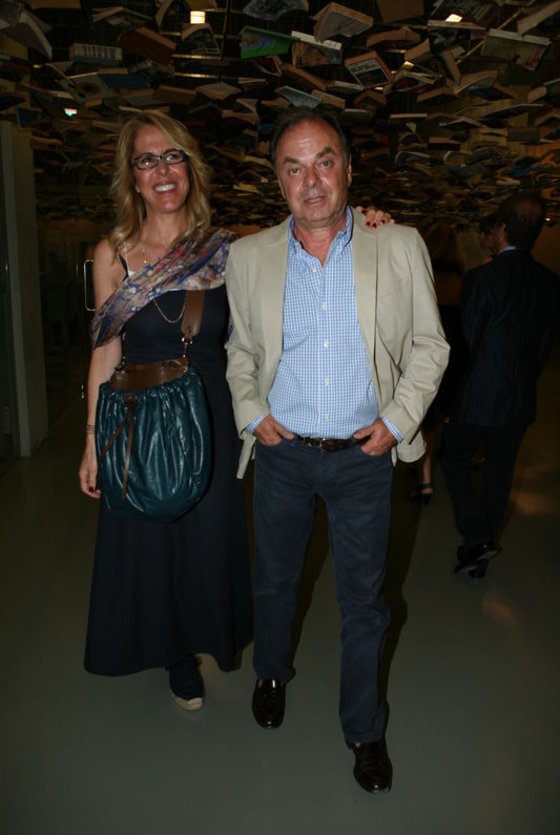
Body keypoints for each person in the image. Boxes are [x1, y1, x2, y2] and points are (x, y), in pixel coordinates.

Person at [225, 107, 449, 794]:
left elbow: (429, 346)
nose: (311, 181)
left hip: (362, 456)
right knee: (274, 581)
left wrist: (398, 420)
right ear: (278, 182)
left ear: (349, 169)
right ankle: (270, 672)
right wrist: (252, 412)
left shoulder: (397, 244)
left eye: (324, 161)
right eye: (293, 168)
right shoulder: (248, 256)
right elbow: (240, 352)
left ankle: (364, 729)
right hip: (283, 452)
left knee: (364, 601)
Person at [78, 111, 253, 709]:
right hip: (139, 419)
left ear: (190, 167)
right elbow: (105, 350)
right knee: (154, 545)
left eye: (172, 155)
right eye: (147, 159)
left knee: (207, 542)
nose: (162, 169)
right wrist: (92, 441)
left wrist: (367, 221)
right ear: (132, 176)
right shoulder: (113, 254)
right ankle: (177, 657)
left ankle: (209, 635)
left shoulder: (227, 251)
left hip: (213, 417)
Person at [441, 192, 560, 580]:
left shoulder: (482, 278)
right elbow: (544, 348)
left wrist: (452, 396)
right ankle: (481, 552)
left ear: (503, 228)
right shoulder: (550, 283)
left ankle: (477, 537)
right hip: (520, 397)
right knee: (499, 473)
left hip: (477, 395)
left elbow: (468, 343)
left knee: (454, 458)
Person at [407, 223, 467, 504]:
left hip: (425, 359)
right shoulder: (464, 282)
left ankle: (425, 481)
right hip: (455, 361)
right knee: (441, 420)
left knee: (424, 423)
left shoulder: (422, 276)